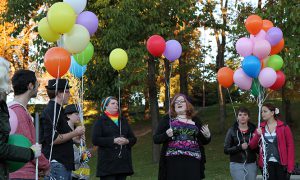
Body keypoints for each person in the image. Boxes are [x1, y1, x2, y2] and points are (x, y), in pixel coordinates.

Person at [0, 57, 42, 180]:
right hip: (22, 173)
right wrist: (32, 154)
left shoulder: (6, 106)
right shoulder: (17, 111)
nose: (9, 80)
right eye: (6, 76)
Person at [153, 93, 211, 180]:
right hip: (173, 162)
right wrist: (166, 135)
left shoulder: (195, 120)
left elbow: (203, 141)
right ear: (173, 106)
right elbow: (156, 139)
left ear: (187, 104)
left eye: (182, 101)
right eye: (176, 102)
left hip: (193, 161)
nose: (179, 103)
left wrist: (207, 136)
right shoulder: (167, 119)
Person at [40, 79, 85, 180]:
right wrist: (75, 133)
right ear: (59, 93)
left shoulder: (59, 110)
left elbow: (59, 134)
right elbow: (52, 139)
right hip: (57, 164)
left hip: (63, 164)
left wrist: (73, 138)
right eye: (67, 91)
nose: (69, 94)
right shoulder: (52, 110)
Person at [8, 70, 50, 179]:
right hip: (22, 174)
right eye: (37, 84)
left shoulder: (11, 110)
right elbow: (30, 146)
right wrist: (45, 166)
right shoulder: (19, 112)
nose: (38, 87)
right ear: (30, 86)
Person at [92, 96, 137, 180]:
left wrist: (127, 141)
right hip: (108, 165)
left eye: (117, 103)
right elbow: (95, 140)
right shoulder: (100, 121)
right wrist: (113, 140)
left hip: (122, 164)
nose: (116, 105)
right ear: (105, 106)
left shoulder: (123, 120)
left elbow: (133, 139)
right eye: (113, 103)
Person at [249, 103, 295, 180]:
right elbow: (252, 146)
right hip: (266, 165)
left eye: (265, 111)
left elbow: (290, 147)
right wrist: (257, 134)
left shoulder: (284, 127)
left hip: (282, 164)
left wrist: (290, 167)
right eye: (261, 112)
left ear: (272, 113)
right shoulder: (261, 127)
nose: (262, 113)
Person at [224, 107, 257, 180]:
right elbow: (226, 150)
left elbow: (258, 149)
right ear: (237, 117)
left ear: (248, 117)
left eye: (245, 115)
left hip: (251, 163)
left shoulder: (254, 130)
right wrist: (239, 147)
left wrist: (255, 141)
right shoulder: (232, 130)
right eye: (240, 115)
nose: (242, 116)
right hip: (236, 163)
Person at [65, 104, 89, 180]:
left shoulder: (78, 131)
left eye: (80, 114)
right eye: (76, 114)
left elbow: (85, 158)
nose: (79, 116)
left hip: (80, 172)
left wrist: (83, 143)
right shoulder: (64, 131)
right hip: (69, 172)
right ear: (68, 115)